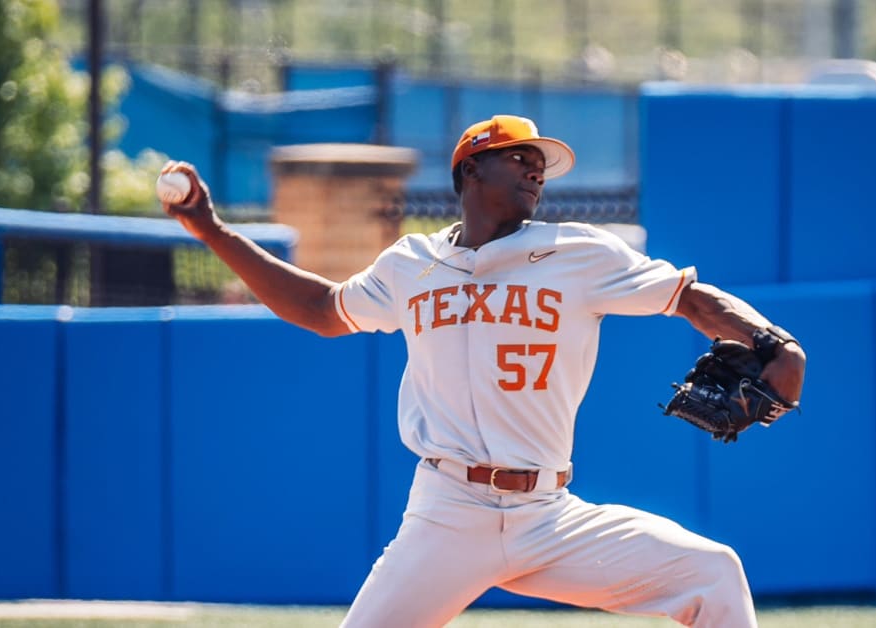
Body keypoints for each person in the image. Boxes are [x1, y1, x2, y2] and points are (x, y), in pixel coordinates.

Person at [159, 114, 805, 627]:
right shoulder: (410, 264)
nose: (536, 171)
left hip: (548, 515)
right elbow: (322, 309)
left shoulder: (577, 252)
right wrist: (211, 230)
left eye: (540, 165)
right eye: (520, 157)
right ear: (470, 168)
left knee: (714, 573)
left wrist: (773, 342)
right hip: (448, 512)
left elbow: (691, 298)